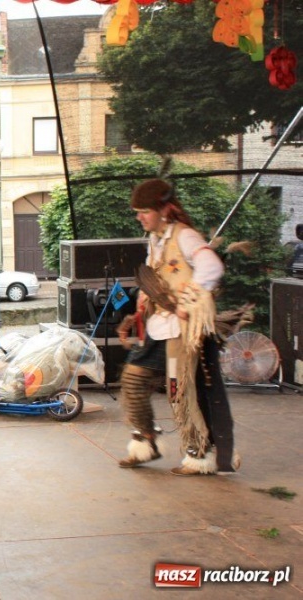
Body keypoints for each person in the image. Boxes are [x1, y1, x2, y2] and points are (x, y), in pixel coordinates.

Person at [116, 178, 238, 476]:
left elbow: (212, 267)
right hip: (158, 327)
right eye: (137, 211)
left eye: (144, 211)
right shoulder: (156, 240)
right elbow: (155, 283)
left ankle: (200, 454)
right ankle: (146, 441)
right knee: (133, 381)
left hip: (181, 332)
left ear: (164, 210)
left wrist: (188, 302)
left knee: (178, 390)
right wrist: (137, 314)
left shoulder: (185, 236)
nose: (139, 217)